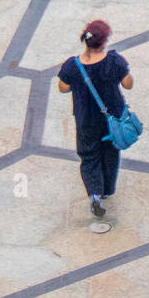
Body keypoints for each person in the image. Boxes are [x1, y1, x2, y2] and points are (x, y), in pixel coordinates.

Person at [57, 20, 134, 218]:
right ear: (105, 41)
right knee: (110, 152)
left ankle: (95, 194)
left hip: (86, 119)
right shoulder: (114, 61)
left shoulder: (72, 66)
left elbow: (62, 87)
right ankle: (107, 189)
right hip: (112, 119)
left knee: (89, 156)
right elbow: (128, 84)